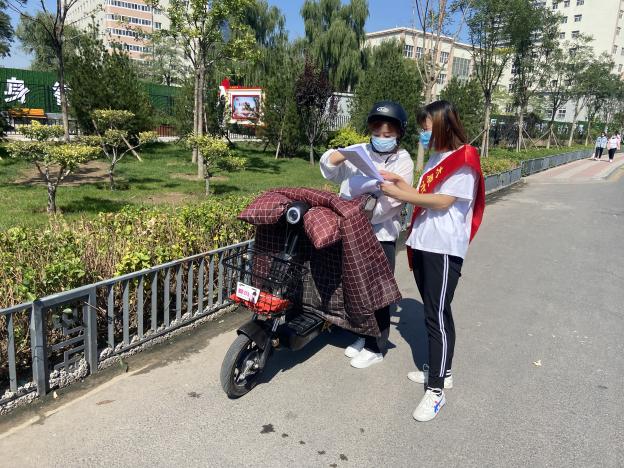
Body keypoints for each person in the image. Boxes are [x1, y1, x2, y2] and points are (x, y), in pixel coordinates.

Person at [379, 100, 485, 422]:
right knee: (436, 310)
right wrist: (399, 183)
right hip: (424, 242)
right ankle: (443, 371)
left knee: (435, 315)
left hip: (443, 247)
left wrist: (401, 195)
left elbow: (442, 201)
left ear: (442, 125)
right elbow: (423, 193)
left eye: (426, 128)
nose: (422, 134)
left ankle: (436, 391)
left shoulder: (464, 158)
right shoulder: (438, 158)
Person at [319, 101, 414, 369]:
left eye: (388, 134)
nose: (382, 138)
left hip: (380, 235)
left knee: (377, 290)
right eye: (377, 133)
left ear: (399, 134)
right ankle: (361, 334)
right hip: (351, 231)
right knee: (353, 286)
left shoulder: (403, 160)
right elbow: (329, 170)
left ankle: (376, 346)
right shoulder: (360, 152)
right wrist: (339, 155)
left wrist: (358, 207)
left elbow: (392, 202)